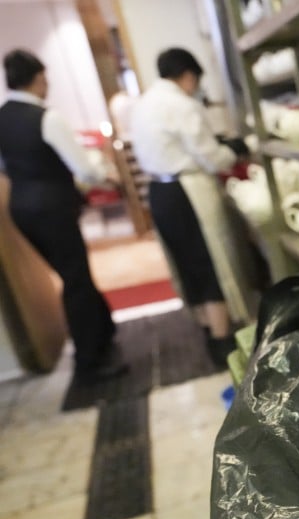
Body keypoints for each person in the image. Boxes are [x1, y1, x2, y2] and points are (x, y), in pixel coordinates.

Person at [0, 49, 127, 381]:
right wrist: (107, 175)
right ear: (39, 78)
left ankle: (103, 332)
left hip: (21, 208)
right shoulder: (46, 117)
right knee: (76, 279)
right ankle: (89, 362)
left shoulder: (3, 118)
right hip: (52, 208)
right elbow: (83, 168)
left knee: (73, 274)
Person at [130, 47, 248, 367]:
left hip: (159, 191)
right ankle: (222, 342)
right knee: (209, 262)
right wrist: (234, 150)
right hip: (187, 191)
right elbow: (210, 158)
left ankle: (209, 330)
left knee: (186, 264)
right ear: (188, 75)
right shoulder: (182, 105)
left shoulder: (143, 103)